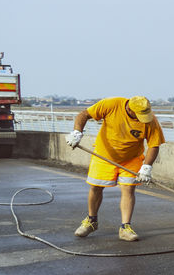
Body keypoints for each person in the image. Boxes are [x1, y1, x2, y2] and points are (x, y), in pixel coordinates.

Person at [64, 96, 165, 241]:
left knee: (128, 189)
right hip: (103, 154)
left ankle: (125, 228)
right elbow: (84, 115)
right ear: (130, 109)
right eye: (139, 115)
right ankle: (91, 221)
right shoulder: (111, 104)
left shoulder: (150, 120)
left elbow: (154, 145)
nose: (142, 119)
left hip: (131, 159)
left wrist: (147, 167)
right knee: (96, 187)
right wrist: (76, 133)